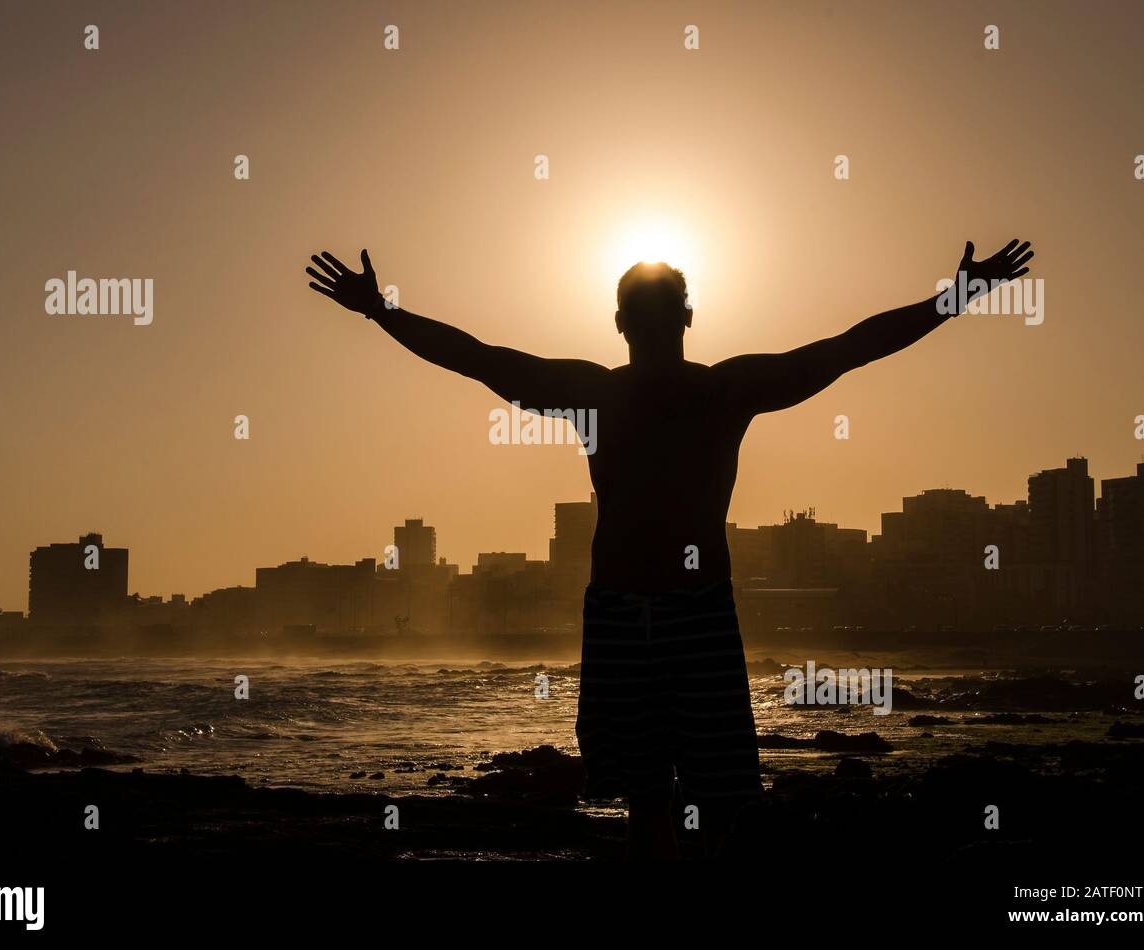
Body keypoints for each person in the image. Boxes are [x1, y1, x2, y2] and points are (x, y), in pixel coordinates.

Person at [306, 238, 1034, 859]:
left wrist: (381, 312)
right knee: (689, 802)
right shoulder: (715, 390)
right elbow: (849, 348)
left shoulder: (624, 393)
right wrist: (958, 296)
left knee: (659, 802)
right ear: (684, 317)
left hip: (653, 614)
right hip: (669, 614)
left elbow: (477, 357)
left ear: (621, 324)